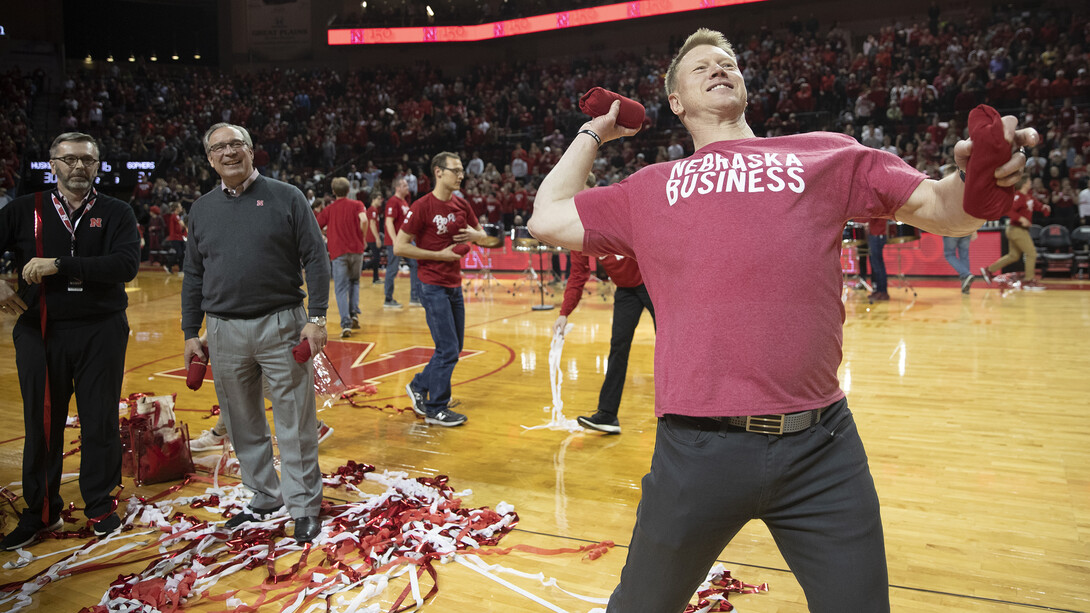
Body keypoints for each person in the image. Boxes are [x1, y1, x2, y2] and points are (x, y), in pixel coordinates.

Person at [528, 29, 1036, 612]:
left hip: (823, 448)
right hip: (697, 450)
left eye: (729, 61)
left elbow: (943, 210)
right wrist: (598, 130)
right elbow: (547, 217)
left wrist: (979, 181)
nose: (720, 68)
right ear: (674, 102)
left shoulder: (827, 154)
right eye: (701, 67)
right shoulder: (649, 189)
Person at [181, 122, 330, 545]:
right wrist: (190, 330)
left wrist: (316, 317)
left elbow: (316, 259)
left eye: (235, 144)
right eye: (218, 148)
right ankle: (264, 495)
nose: (228, 153)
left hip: (281, 322)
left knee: (294, 419)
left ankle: (303, 504)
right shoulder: (201, 209)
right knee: (240, 418)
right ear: (209, 159)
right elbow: (193, 273)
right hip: (222, 330)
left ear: (251, 150)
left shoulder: (287, 196)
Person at [0, 132, 140, 550]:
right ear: (52, 164)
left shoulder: (116, 211)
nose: (78, 167)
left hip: (102, 329)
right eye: (69, 160)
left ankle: (100, 505)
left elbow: (126, 265)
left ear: (98, 166)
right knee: (41, 423)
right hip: (41, 329)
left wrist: (58, 264)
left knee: (99, 420)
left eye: (87, 160)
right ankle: (41, 511)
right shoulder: (26, 208)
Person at [553, 173, 655, 434]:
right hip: (626, 290)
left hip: (655, 285)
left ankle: (685, 412)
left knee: (672, 345)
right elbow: (578, 275)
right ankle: (608, 414)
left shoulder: (617, 208)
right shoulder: (579, 230)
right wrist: (564, 314)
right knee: (617, 348)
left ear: (594, 190)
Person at [397, 152, 486, 427]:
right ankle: (436, 407)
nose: (461, 175)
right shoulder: (422, 206)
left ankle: (418, 384)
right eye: (455, 170)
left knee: (454, 347)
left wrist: (475, 236)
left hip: (454, 285)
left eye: (462, 171)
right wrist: (441, 255)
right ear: (438, 172)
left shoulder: (462, 204)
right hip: (432, 284)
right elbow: (400, 246)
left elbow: (484, 236)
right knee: (447, 349)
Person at [316, 177, 367, 338]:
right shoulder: (357, 204)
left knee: (340, 288)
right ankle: (353, 315)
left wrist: (326, 233)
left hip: (339, 252)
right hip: (357, 250)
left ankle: (345, 324)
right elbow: (364, 220)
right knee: (355, 282)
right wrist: (362, 236)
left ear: (333, 192)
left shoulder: (329, 209)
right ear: (348, 190)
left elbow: (315, 225)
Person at [981, 177, 1041, 289]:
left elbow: (1035, 205)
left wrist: (1044, 208)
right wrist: (1021, 219)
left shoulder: (1028, 196)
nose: (1030, 182)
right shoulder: (1018, 196)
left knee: (1013, 255)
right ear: (1024, 183)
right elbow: (1008, 210)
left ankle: (989, 270)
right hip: (1016, 229)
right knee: (1031, 253)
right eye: (1029, 180)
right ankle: (1028, 281)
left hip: (1018, 229)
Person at [383, 178, 421, 308]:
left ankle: (415, 297)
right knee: (392, 269)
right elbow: (389, 222)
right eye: (405, 185)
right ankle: (388, 299)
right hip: (396, 242)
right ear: (397, 187)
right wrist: (395, 241)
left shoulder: (404, 202)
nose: (408, 187)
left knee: (415, 264)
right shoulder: (393, 201)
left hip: (406, 242)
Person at [866, 218, 889, 300]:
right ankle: (879, 291)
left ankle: (882, 291)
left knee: (878, 265)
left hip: (877, 234)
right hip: (875, 234)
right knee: (876, 265)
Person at [365, 191, 383, 286]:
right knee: (376, 258)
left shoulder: (373, 210)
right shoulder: (373, 210)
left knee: (376, 258)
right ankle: (363, 267)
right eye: (379, 199)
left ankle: (375, 278)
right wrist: (377, 238)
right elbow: (372, 225)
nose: (381, 201)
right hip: (372, 237)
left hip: (371, 237)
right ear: (373, 199)